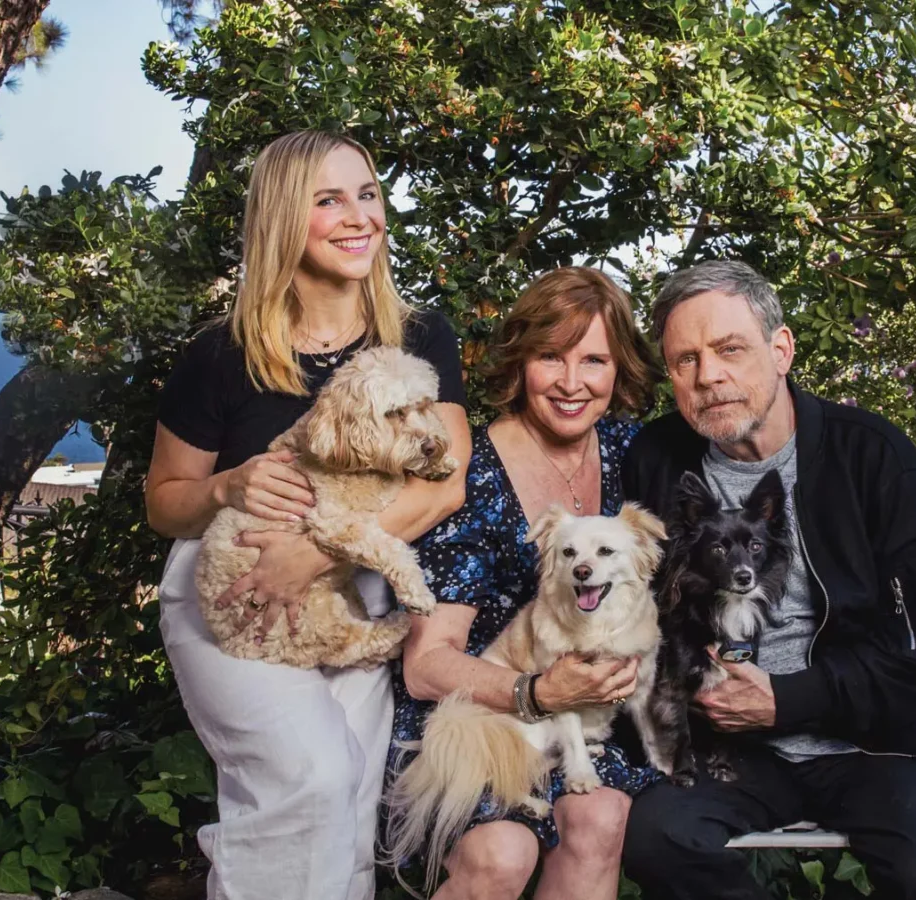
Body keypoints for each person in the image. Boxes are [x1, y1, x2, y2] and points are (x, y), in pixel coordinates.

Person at [144, 130, 471, 900]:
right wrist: (227, 487)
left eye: (367, 194)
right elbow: (165, 502)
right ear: (285, 218)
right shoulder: (220, 353)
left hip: (356, 579)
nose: (360, 216)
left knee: (351, 796)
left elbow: (444, 481)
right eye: (330, 200)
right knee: (309, 779)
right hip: (234, 590)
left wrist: (320, 556)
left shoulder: (419, 335)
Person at [619, 260, 916, 900]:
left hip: (885, 745)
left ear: (781, 349)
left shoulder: (871, 455)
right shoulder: (657, 459)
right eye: (685, 360)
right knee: (657, 836)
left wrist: (789, 699)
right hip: (731, 749)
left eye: (730, 349)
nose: (709, 376)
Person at [393, 267, 665, 900]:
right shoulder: (468, 472)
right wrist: (536, 691)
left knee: (600, 818)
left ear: (618, 369)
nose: (573, 383)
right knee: (501, 853)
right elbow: (426, 665)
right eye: (551, 357)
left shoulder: (635, 454)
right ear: (520, 362)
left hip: (585, 719)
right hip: (471, 712)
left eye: (594, 359)